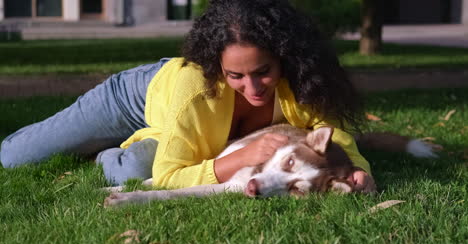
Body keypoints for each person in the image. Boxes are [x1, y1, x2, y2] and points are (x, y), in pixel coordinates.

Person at [0, 0, 375, 193]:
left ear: (284, 59)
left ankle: (111, 154)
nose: (254, 88)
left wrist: (360, 171)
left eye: (264, 72)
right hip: (134, 98)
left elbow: (333, 132)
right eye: (236, 76)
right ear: (218, 68)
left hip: (182, 125)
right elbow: (168, 177)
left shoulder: (301, 83)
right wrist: (243, 157)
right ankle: (109, 137)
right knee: (13, 158)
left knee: (131, 170)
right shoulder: (197, 88)